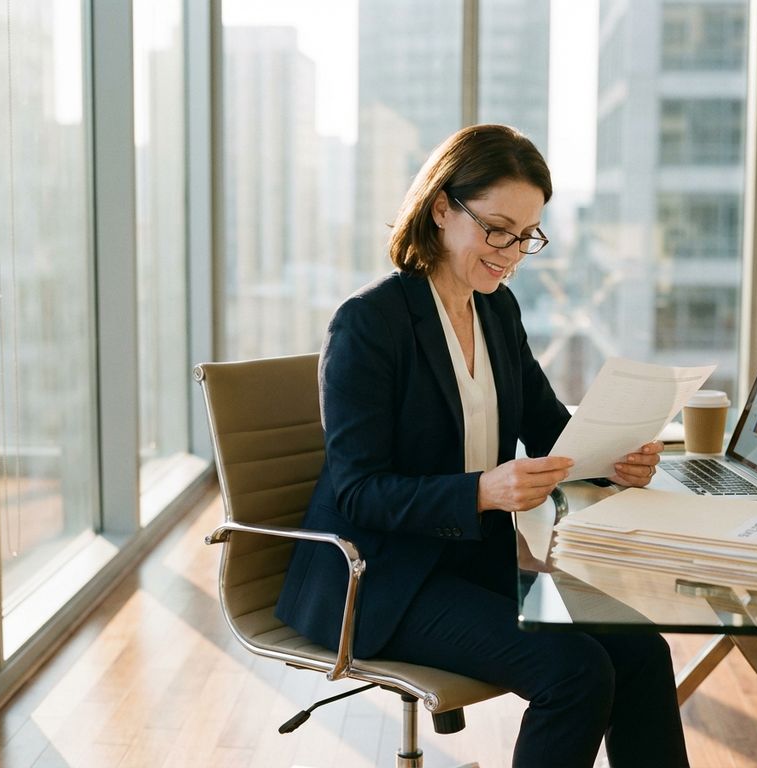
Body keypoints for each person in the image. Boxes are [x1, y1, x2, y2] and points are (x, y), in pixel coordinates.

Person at [275, 124, 689, 768]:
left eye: (527, 236)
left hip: (472, 563)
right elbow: (359, 493)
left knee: (640, 648)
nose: (512, 253)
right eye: (498, 229)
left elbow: (552, 428)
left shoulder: (497, 310)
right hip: (381, 579)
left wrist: (616, 461)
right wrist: (481, 491)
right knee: (575, 673)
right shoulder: (369, 323)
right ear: (442, 208)